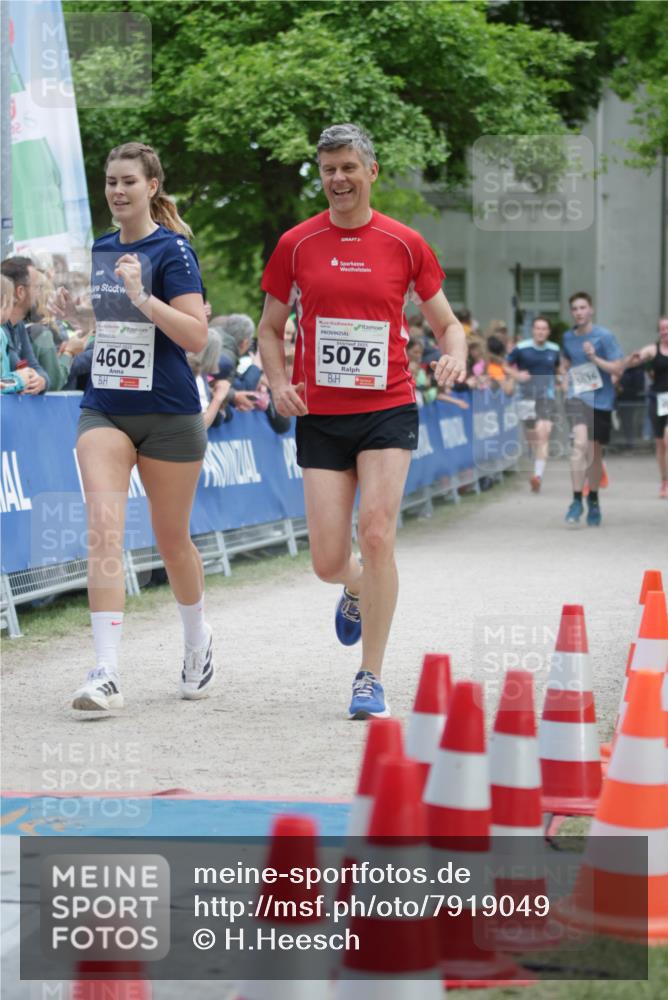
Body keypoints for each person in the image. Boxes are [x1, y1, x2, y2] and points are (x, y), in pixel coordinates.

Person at [257, 122, 466, 720]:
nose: (338, 178)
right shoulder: (296, 243)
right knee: (327, 559)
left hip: (388, 406)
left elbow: (447, 322)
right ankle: (353, 585)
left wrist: (453, 352)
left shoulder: (404, 243)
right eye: (328, 169)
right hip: (321, 415)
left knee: (377, 534)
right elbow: (270, 329)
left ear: (371, 172)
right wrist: (276, 383)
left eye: (348, 166)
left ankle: (369, 677)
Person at [51, 141, 213, 711]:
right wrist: (79, 315)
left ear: (152, 187)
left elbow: (196, 337)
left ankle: (197, 642)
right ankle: (106, 671)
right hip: (106, 408)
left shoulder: (174, 251)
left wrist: (143, 297)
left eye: (128, 182)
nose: (117, 191)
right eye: (110, 182)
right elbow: (111, 325)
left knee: (172, 541)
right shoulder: (99, 248)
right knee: (103, 528)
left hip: (169, 412)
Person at [561, 292, 624, 527]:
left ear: (591, 310)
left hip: (602, 400)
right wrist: (564, 376)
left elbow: (619, 368)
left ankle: (594, 500)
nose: (578, 312)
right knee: (579, 444)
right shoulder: (568, 337)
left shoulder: (605, 336)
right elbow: (567, 361)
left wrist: (594, 358)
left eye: (582, 307)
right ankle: (577, 499)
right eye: (574, 308)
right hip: (577, 397)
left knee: (594, 452)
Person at [505, 316, 561, 492]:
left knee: (544, 434)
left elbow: (558, 369)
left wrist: (562, 379)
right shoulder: (521, 348)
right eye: (538, 328)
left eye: (544, 329)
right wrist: (517, 375)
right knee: (533, 438)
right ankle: (535, 459)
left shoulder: (554, 349)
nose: (541, 332)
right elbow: (504, 365)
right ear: (533, 330)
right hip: (525, 397)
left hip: (546, 397)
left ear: (548, 332)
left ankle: (537, 477)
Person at [622, 316, 668, 497]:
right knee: (660, 445)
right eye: (662, 329)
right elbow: (635, 360)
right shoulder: (653, 349)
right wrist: (632, 359)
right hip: (657, 400)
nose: (665, 332)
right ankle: (664, 481)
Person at [0, 256, 50, 393]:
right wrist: (21, 379)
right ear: (20, 292)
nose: (40, 294)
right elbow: (6, 379)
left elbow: (35, 366)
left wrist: (41, 381)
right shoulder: (1, 332)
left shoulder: (19, 325)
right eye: (38, 287)